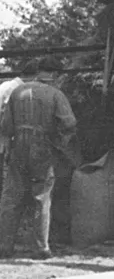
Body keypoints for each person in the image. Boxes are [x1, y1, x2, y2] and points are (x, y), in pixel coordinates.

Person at [0, 57, 76, 259]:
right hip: (42, 149)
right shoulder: (55, 94)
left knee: (11, 198)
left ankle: (4, 247)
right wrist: (59, 145)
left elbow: (6, 126)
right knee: (41, 198)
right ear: (53, 75)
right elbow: (69, 124)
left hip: (18, 148)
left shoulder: (16, 92)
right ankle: (40, 248)